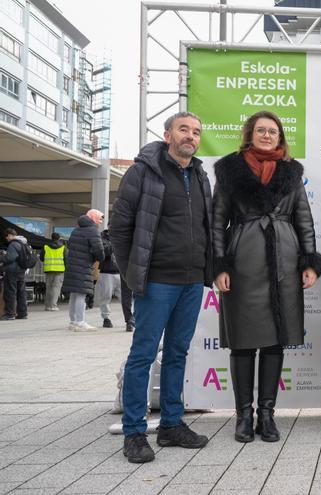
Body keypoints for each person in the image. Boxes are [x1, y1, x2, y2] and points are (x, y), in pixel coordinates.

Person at [213, 110, 321, 443]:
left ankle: (267, 415)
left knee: (276, 340)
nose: (266, 135)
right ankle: (243, 416)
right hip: (243, 260)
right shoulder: (230, 170)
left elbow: (304, 219)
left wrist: (309, 261)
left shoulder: (291, 173)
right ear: (250, 134)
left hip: (284, 262)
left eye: (272, 131)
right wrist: (220, 266)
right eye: (260, 130)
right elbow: (217, 221)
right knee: (244, 341)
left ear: (280, 137)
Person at [111, 111, 213, 463]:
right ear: (168, 134)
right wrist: (133, 273)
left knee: (177, 353)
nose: (190, 136)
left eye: (196, 132)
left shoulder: (199, 175)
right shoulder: (142, 172)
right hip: (156, 281)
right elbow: (120, 228)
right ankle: (134, 433)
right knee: (142, 355)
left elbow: (207, 227)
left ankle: (171, 424)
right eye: (183, 129)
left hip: (190, 280)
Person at [61, 210, 105, 331]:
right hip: (84, 265)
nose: (100, 221)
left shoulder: (76, 230)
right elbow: (99, 249)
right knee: (81, 293)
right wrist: (99, 258)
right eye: (99, 218)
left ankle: (73, 322)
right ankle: (80, 322)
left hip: (73, 265)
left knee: (74, 294)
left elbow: (70, 245)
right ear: (93, 218)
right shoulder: (92, 230)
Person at [95, 228, 132, 329]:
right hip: (106, 272)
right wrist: (115, 243)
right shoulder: (101, 238)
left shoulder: (124, 237)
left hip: (122, 273)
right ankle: (106, 318)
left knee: (126, 298)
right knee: (105, 297)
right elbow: (103, 252)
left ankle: (129, 319)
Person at [1, 228, 30, 320]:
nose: (7, 239)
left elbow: (9, 258)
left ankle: (10, 314)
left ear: (9, 235)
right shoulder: (24, 243)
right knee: (21, 293)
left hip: (12, 271)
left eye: (7, 237)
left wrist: (1, 257)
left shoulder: (13, 244)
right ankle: (22, 313)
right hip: (21, 271)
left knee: (10, 292)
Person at [41, 232, 65, 311]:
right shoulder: (63, 248)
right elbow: (66, 260)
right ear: (59, 238)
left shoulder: (45, 247)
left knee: (48, 287)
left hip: (49, 269)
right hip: (60, 270)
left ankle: (47, 306)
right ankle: (53, 306)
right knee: (56, 288)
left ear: (51, 238)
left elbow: (41, 258)